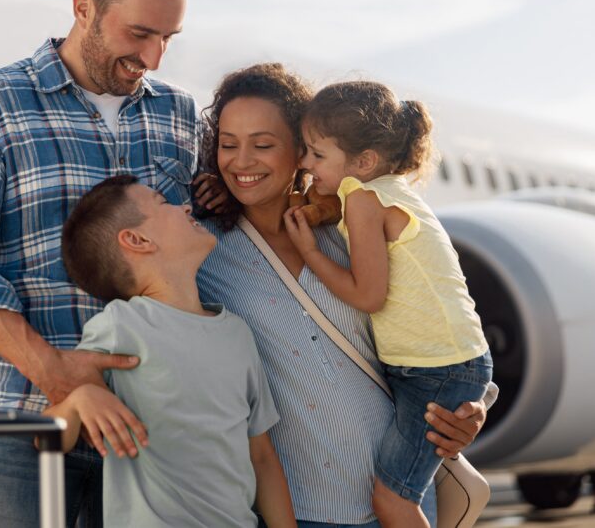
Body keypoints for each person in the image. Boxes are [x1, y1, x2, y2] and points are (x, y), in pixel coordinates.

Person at [0, 0, 211, 527]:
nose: (153, 58)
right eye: (139, 33)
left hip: (154, 441)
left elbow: (217, 258)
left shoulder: (181, 119)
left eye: (168, 37)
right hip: (23, 427)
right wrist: (48, 367)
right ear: (83, 6)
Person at [194, 63, 497, 527]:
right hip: (301, 509)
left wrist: (471, 410)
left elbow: (438, 330)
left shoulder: (351, 234)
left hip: (401, 504)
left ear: (302, 151)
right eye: (228, 145)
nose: (241, 161)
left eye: (263, 144)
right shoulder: (205, 253)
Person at [284, 80, 492, 527]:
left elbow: (368, 294)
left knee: (393, 500)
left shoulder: (363, 199)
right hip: (446, 361)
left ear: (363, 162)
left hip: (436, 369)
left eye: (317, 155)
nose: (304, 164)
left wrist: (310, 253)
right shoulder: (386, 192)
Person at [46, 174, 296, 527]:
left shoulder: (237, 333)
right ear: (137, 239)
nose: (185, 205)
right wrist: (78, 400)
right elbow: (47, 438)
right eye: (164, 203)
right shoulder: (121, 326)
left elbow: (263, 457)